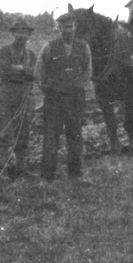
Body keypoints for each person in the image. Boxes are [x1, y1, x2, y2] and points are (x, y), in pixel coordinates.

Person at [35, 12, 93, 182]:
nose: (68, 30)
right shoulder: (49, 47)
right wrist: (47, 89)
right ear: (59, 28)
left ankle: (76, 174)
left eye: (71, 27)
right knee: (51, 138)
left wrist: (78, 86)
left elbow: (88, 71)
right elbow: (39, 70)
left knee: (75, 136)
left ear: (75, 27)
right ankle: (47, 178)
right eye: (65, 27)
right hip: (54, 99)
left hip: (75, 99)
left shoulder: (84, 47)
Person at [0, 18, 37, 178]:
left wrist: (20, 69)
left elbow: (35, 74)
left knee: (23, 134)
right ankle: (1, 171)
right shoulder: (4, 51)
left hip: (25, 96)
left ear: (29, 35)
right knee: (4, 133)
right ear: (13, 33)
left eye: (25, 32)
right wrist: (25, 71)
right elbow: (4, 72)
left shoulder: (31, 55)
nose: (22, 35)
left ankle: (21, 169)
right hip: (7, 96)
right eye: (19, 32)